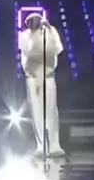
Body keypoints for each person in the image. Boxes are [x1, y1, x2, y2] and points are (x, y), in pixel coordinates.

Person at [18, 12, 65, 159]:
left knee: (51, 111)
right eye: (30, 21)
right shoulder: (24, 36)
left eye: (36, 20)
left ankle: (54, 145)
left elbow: (57, 48)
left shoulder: (50, 32)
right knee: (37, 112)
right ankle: (41, 145)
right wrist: (35, 37)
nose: (34, 23)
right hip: (33, 77)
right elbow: (30, 52)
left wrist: (49, 30)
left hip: (48, 76)